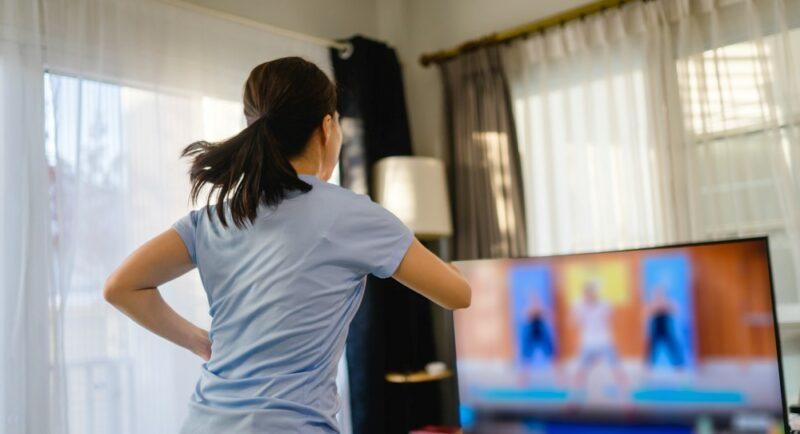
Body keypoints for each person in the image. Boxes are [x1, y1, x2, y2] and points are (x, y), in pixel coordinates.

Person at [102, 57, 472, 434]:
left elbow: (122, 288)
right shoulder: (351, 214)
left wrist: (200, 341)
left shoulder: (215, 218)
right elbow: (458, 294)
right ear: (327, 127)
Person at [572, 281, 626, 394]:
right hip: (587, 342)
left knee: (616, 369)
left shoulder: (605, 304)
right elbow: (574, 322)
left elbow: (611, 317)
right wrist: (580, 312)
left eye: (592, 292)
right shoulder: (578, 305)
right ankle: (574, 399)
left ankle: (627, 399)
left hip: (605, 341)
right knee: (580, 370)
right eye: (587, 293)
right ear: (584, 293)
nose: (589, 295)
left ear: (596, 293)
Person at [645, 285, 685, 368]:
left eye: (661, 294)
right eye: (657, 294)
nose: (659, 296)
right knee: (652, 348)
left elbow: (676, 310)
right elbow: (647, 313)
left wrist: (666, 306)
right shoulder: (652, 303)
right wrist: (656, 308)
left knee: (673, 346)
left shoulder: (668, 302)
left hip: (666, 329)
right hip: (656, 329)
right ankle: (648, 366)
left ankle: (679, 365)